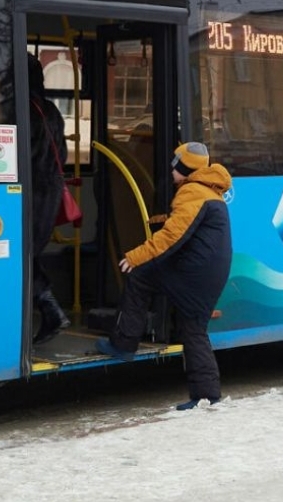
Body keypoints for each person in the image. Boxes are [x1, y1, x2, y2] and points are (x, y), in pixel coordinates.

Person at [96, 141, 233, 411]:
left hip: (194, 274)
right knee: (193, 328)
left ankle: (125, 343)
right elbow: (188, 224)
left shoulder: (192, 192)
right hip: (206, 273)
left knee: (141, 277)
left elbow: (173, 237)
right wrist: (164, 219)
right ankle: (207, 395)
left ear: (185, 169)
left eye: (175, 166)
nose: (171, 171)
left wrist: (135, 256)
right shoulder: (207, 191)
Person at [27, 54, 71, 345]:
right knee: (26, 253)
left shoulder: (23, 108)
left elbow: (23, 157)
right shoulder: (51, 110)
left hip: (33, 190)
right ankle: (48, 307)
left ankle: (50, 308)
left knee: (19, 254)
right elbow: (63, 154)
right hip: (50, 189)